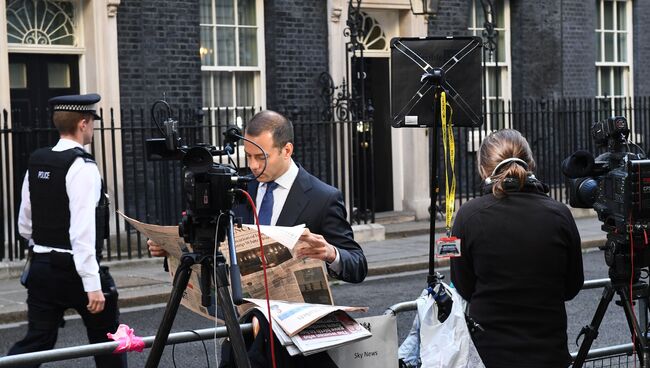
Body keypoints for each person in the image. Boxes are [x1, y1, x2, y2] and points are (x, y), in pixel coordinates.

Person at [149, 109, 367, 284]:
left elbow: (357, 265)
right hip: (243, 321)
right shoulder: (238, 188)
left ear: (287, 150)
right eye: (248, 156)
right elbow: (215, 246)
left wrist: (331, 253)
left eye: (261, 157)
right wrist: (172, 250)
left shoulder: (324, 197)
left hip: (294, 326)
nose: (253, 166)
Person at [8, 94, 127, 368]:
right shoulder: (82, 167)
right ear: (83, 124)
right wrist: (92, 285)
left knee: (37, 342)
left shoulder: (37, 161)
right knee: (107, 343)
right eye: (93, 123)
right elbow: (82, 232)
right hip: (74, 270)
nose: (93, 129)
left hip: (40, 267)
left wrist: (44, 247)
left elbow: (24, 224)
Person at [449, 129, 584, 368]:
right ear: (531, 164)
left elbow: (463, 285)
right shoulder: (560, 214)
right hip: (549, 354)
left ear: (483, 170)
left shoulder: (467, 216)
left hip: (489, 354)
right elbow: (572, 286)